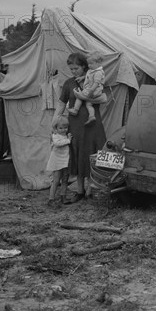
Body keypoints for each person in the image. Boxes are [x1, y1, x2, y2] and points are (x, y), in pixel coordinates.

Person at [54, 53, 106, 203]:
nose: (73, 71)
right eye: (71, 69)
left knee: (91, 154)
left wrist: (84, 97)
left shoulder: (94, 78)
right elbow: (61, 104)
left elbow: (104, 98)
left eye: (76, 68)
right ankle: (80, 191)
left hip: (92, 126)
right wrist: (55, 123)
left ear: (84, 66)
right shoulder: (69, 83)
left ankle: (91, 190)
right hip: (75, 126)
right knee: (77, 155)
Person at [69, 51, 105, 126]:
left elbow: (96, 82)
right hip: (93, 91)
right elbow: (89, 77)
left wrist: (91, 90)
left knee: (79, 96)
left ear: (98, 63)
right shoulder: (92, 71)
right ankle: (92, 116)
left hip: (94, 90)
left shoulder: (98, 72)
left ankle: (75, 110)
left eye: (91, 63)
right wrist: (82, 77)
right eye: (88, 63)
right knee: (89, 104)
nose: (89, 65)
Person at [46, 115, 71, 206]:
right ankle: (51, 199)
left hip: (65, 160)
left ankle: (63, 196)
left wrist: (68, 138)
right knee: (56, 180)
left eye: (66, 127)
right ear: (55, 128)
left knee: (65, 179)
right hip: (57, 161)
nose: (63, 130)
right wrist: (68, 140)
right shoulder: (55, 136)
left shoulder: (65, 135)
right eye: (61, 128)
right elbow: (57, 144)